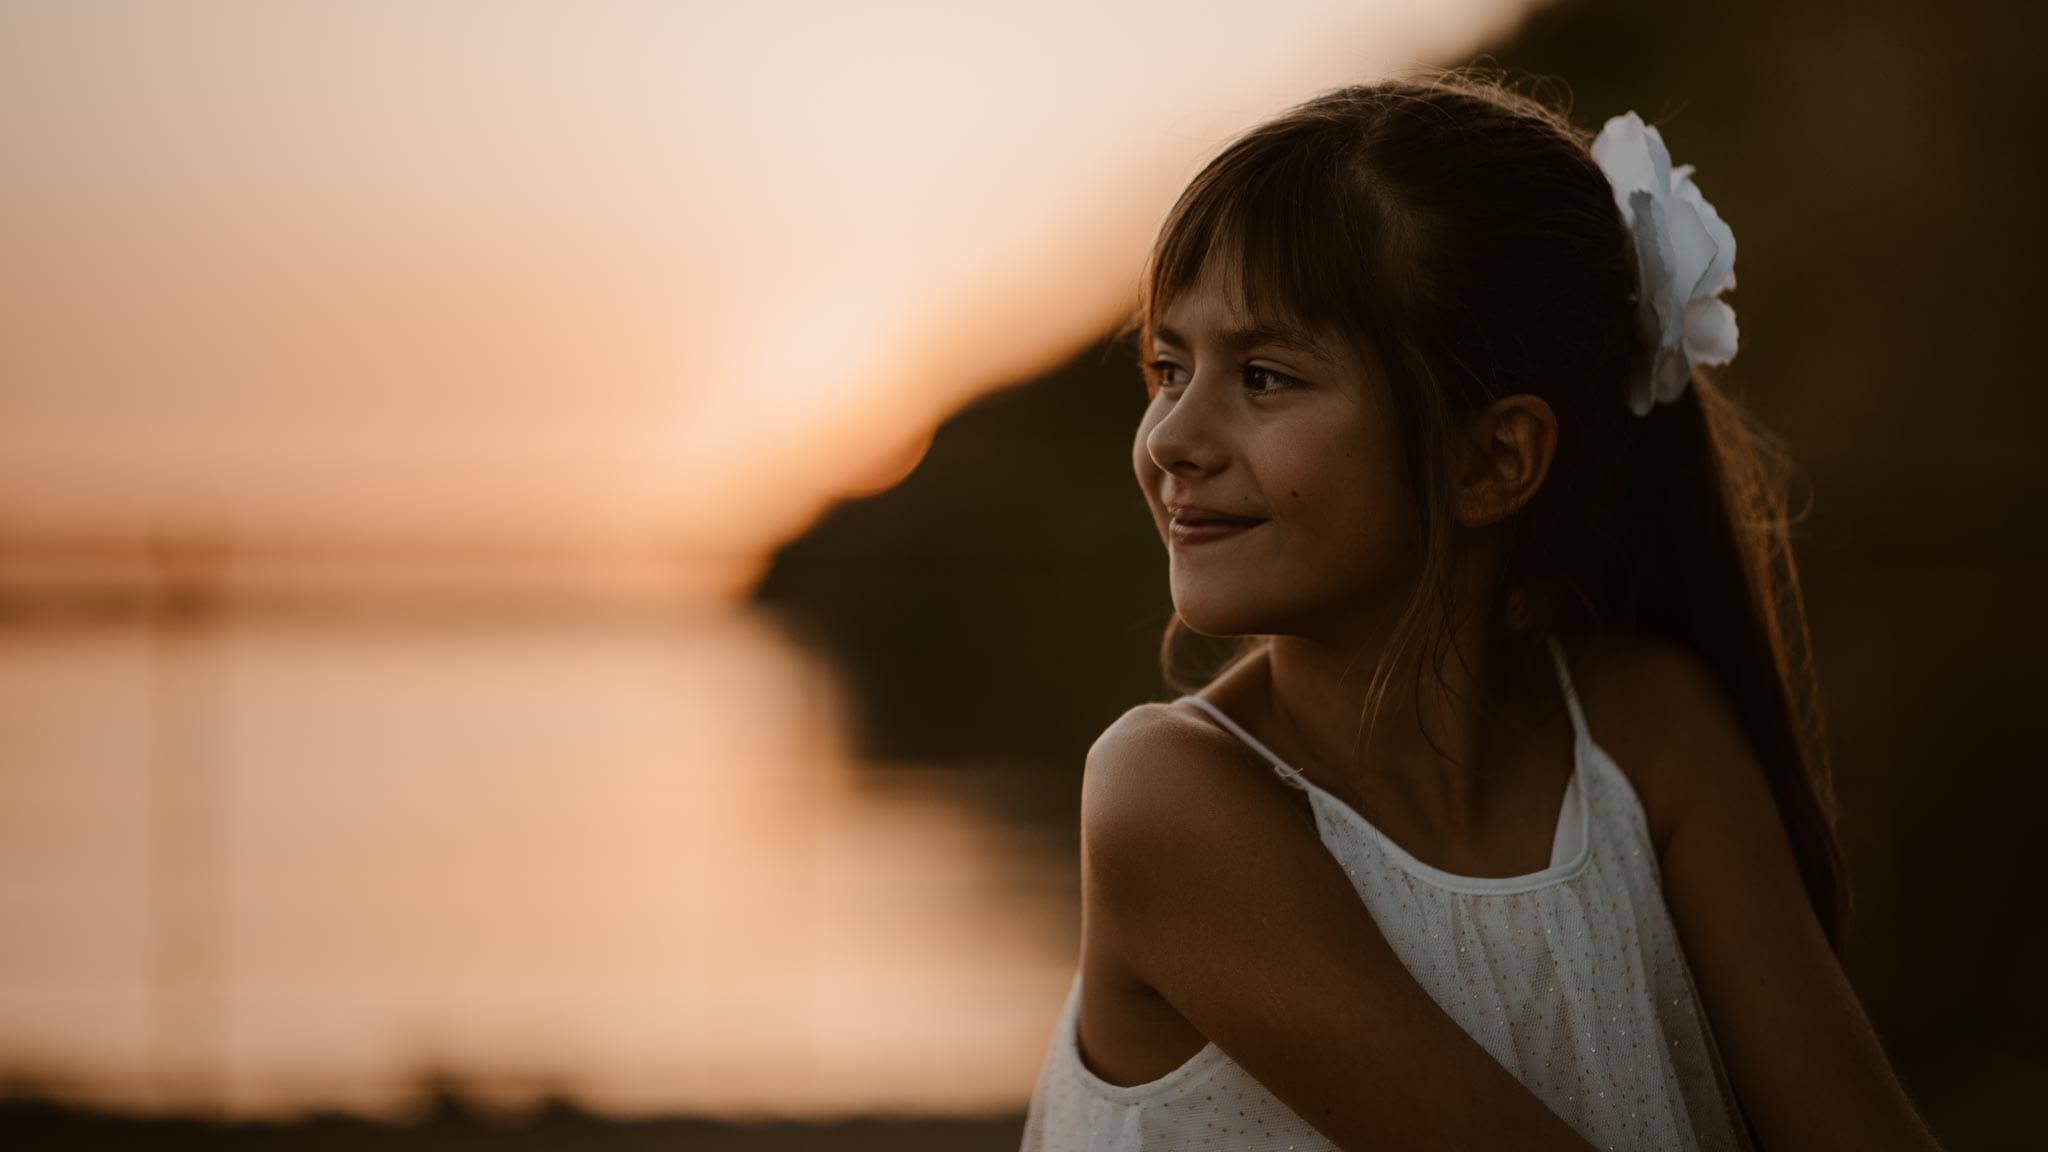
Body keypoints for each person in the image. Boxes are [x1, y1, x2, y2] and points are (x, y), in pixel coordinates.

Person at [1018, 66, 1946, 1151]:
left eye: (1263, 376)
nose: (1172, 438)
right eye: (1167, 367)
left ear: (1493, 459)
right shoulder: (1166, 799)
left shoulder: (1644, 734)